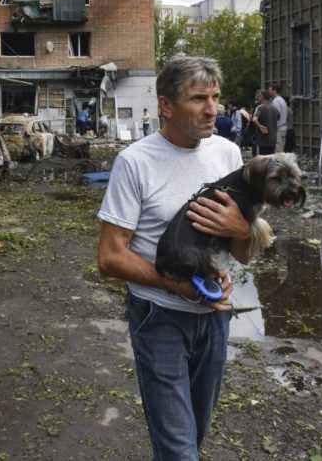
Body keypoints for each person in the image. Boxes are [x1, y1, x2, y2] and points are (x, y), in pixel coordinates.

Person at [97, 55, 252, 461]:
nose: (212, 110)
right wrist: (177, 286)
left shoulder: (229, 155)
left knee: (193, 437)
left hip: (214, 317)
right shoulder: (135, 162)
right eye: (199, 98)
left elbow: (244, 255)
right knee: (179, 450)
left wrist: (242, 229)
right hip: (160, 317)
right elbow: (110, 258)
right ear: (166, 105)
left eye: (216, 97)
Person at [252, 90, 279, 157]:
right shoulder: (275, 109)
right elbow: (278, 118)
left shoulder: (260, 108)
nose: (258, 97)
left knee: (263, 159)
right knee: (271, 158)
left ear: (262, 97)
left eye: (259, 96)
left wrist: (260, 126)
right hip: (273, 138)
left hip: (263, 139)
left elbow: (254, 119)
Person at [267, 84, 289, 154]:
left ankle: (278, 165)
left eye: (270, 90)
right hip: (283, 127)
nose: (269, 92)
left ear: (275, 91)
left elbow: (276, 115)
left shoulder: (276, 101)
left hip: (278, 128)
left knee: (278, 151)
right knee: (281, 149)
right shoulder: (282, 100)